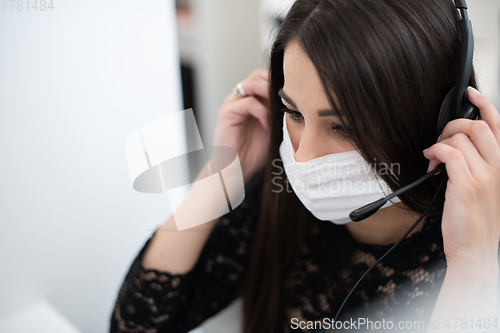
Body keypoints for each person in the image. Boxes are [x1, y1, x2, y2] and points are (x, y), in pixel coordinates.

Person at [110, 0, 500, 332]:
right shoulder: (276, 194)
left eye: (343, 127)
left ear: (439, 118)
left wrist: (473, 268)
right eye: (293, 113)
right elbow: (137, 324)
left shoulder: (477, 242)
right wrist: (218, 179)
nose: (304, 156)